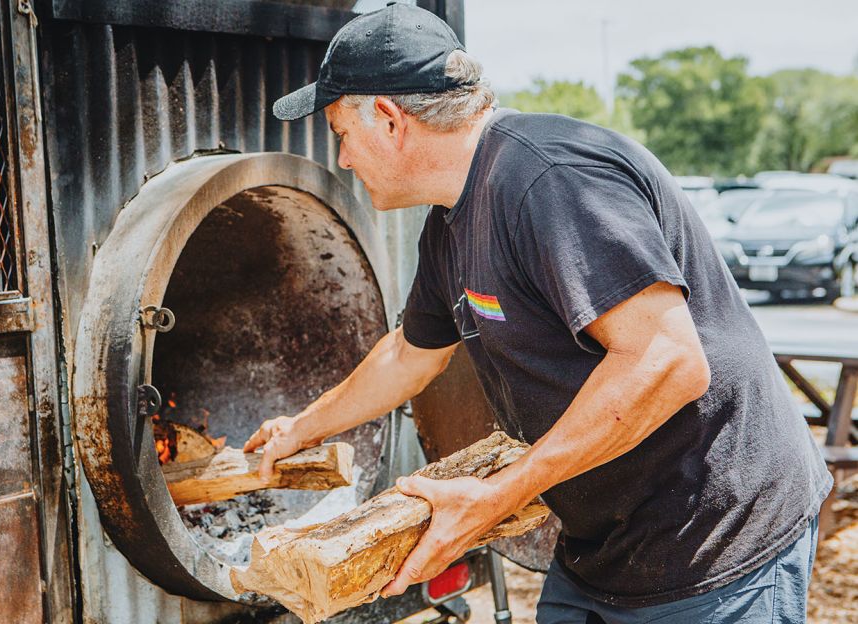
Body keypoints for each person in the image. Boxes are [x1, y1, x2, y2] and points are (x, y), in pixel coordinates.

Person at [243, 4, 832, 623]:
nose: (343, 158)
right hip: (604, 544)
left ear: (389, 120)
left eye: (340, 132)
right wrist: (302, 427)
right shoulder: (450, 219)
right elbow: (409, 354)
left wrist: (495, 496)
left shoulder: (552, 180)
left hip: (715, 540)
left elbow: (668, 361)